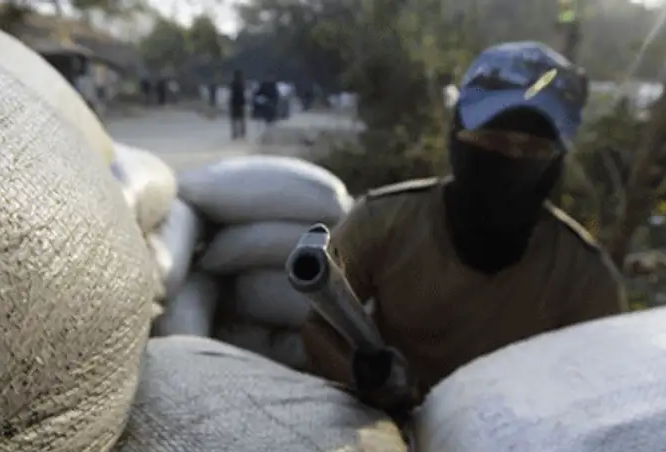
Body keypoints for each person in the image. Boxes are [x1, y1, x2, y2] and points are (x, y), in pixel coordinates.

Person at [300, 42, 627, 418]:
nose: (512, 160)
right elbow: (320, 327)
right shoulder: (384, 219)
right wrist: (365, 382)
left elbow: (599, 398)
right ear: (457, 134)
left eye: (534, 150)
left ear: (558, 160)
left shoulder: (586, 280)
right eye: (492, 140)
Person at [229, 69, 247, 139]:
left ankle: (235, 133)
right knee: (240, 119)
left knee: (235, 119)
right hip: (239, 103)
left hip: (235, 102)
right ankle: (241, 132)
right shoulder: (242, 83)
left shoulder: (233, 83)